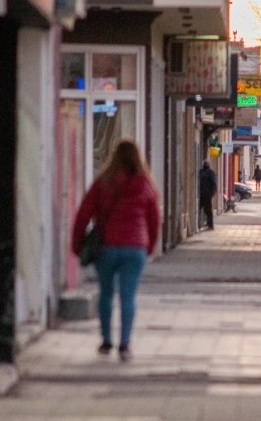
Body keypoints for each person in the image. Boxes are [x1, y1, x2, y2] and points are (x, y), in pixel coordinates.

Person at [72, 140, 161, 362]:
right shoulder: (145, 184)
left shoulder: (103, 182)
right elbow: (154, 220)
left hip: (107, 247)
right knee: (128, 296)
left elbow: (84, 213)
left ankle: (106, 340)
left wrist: (77, 244)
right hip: (135, 249)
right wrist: (149, 246)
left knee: (106, 293)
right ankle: (124, 344)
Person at [198, 160, 217, 230]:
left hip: (207, 194)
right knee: (198, 209)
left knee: (208, 210)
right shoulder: (200, 172)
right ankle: (199, 224)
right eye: (204, 164)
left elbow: (213, 183)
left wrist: (212, 192)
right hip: (200, 194)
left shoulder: (210, 173)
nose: (205, 165)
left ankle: (210, 225)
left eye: (206, 164)